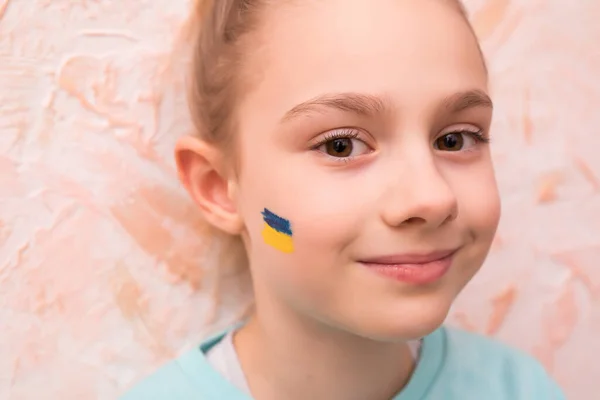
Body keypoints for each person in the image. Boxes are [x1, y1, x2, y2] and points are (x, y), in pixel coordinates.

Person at [121, 0, 566, 398]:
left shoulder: (521, 388)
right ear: (219, 188)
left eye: (454, 139)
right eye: (341, 146)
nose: (430, 197)